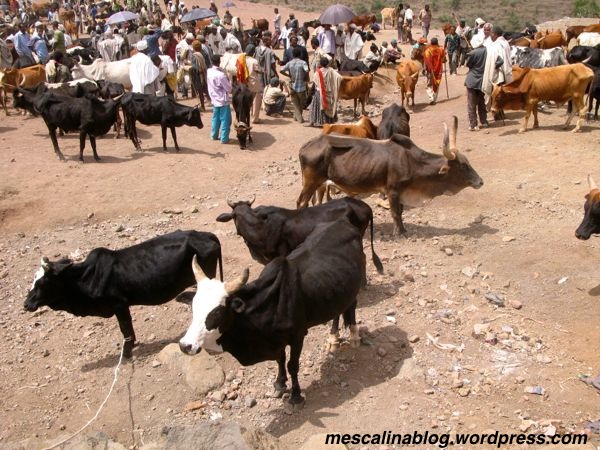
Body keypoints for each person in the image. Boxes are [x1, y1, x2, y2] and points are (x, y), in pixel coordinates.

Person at [308, 56, 342, 127]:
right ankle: (328, 123)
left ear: (320, 64)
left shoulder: (318, 72)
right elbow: (339, 77)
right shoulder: (331, 70)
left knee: (315, 107)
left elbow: (315, 83)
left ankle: (312, 122)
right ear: (327, 63)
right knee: (328, 108)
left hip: (319, 93)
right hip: (329, 93)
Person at [464, 36, 489, 131]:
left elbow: (468, 65)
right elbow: (499, 61)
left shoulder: (472, 53)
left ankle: (473, 124)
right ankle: (484, 121)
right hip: (483, 80)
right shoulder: (488, 51)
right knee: (481, 102)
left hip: (472, 81)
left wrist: (472, 54)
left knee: (471, 103)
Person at [207, 54, 232, 144]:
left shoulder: (209, 71)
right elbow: (229, 89)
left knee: (215, 119)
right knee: (225, 120)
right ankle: (224, 138)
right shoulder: (221, 75)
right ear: (219, 62)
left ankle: (214, 135)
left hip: (214, 99)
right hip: (223, 100)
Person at [280, 46, 309, 123]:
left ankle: (295, 117)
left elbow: (281, 70)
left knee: (295, 103)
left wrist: (288, 75)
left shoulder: (289, 63)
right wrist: (305, 78)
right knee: (301, 103)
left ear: (293, 55)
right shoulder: (303, 63)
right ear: (300, 55)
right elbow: (307, 70)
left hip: (292, 86)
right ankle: (300, 119)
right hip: (301, 86)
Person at [241, 44, 263, 124]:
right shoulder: (254, 61)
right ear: (253, 52)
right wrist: (263, 71)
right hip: (253, 84)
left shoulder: (241, 59)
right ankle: (255, 118)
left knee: (245, 102)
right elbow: (258, 70)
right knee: (255, 101)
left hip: (243, 84)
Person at [423, 37, 445, 104]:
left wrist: (424, 69)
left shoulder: (427, 51)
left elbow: (426, 61)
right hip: (439, 70)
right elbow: (444, 59)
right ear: (437, 42)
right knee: (436, 84)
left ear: (431, 43)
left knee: (429, 85)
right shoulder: (441, 49)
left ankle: (431, 98)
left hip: (430, 71)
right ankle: (434, 99)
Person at [190, 40, 208, 110]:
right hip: (203, 74)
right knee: (203, 90)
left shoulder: (194, 56)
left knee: (200, 91)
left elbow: (195, 67)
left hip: (198, 75)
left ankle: (202, 106)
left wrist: (190, 66)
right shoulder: (200, 54)